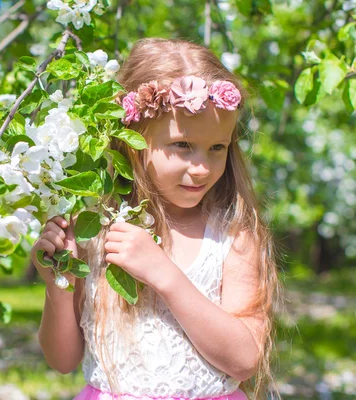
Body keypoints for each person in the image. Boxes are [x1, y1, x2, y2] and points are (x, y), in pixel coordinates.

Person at [31, 38, 281, 400]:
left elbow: (244, 360)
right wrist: (59, 283)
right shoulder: (93, 228)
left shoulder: (231, 236)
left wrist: (163, 274)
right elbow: (62, 359)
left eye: (217, 148)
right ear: (132, 142)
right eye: (182, 145)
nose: (201, 168)